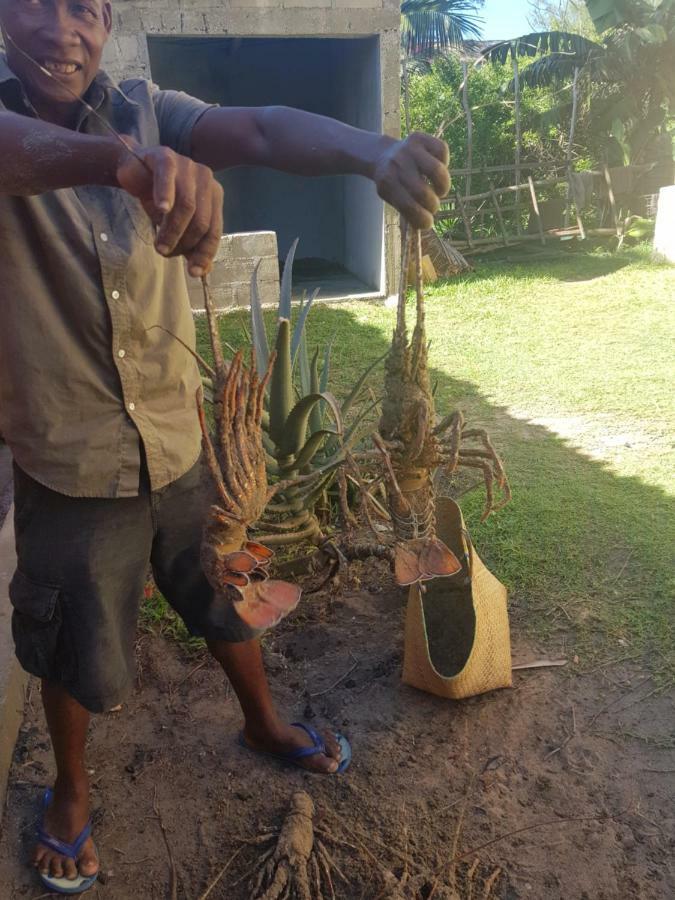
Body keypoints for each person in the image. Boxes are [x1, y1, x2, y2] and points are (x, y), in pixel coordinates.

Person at [0, 0, 450, 893]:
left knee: (222, 594)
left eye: (84, 7)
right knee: (72, 640)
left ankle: (263, 724)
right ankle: (74, 791)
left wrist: (374, 153)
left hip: (177, 439)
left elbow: (259, 129)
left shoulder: (146, 105)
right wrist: (129, 168)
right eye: (36, 4)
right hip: (69, 460)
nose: (63, 31)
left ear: (108, 17)